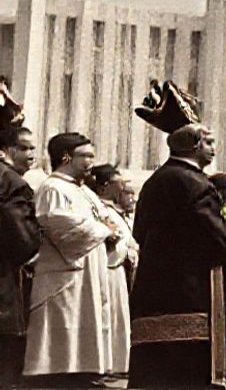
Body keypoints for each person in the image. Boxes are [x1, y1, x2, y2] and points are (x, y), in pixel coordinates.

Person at [128, 124, 226, 388]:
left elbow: (139, 232)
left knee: (156, 367)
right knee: (187, 367)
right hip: (187, 287)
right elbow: (213, 233)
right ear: (195, 145)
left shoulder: (154, 180)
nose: (214, 149)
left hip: (154, 284)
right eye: (209, 143)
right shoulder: (195, 183)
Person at [22, 133, 120, 387]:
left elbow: (101, 222)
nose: (91, 162)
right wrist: (103, 230)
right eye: (85, 156)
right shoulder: (53, 188)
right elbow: (60, 225)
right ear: (66, 157)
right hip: (65, 273)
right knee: (61, 338)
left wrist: (105, 230)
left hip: (88, 271)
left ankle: (84, 374)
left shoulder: (83, 190)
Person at [88, 164, 138, 378]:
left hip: (118, 269)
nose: (122, 187)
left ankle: (118, 363)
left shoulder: (113, 211)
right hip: (107, 268)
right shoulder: (100, 209)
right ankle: (105, 365)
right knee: (107, 318)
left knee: (119, 318)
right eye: (119, 183)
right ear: (105, 186)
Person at [0, 126, 39, 388]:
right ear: (6, 150)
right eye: (24, 148)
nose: (31, 155)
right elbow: (22, 240)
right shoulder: (12, 182)